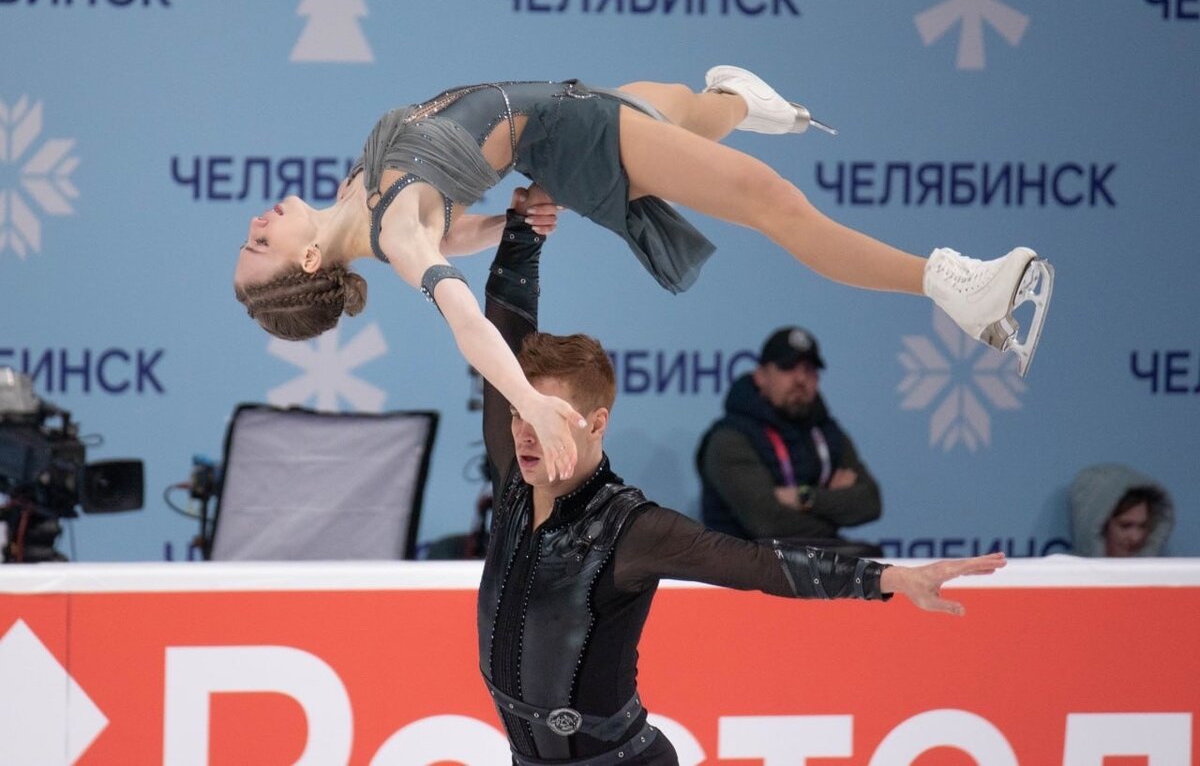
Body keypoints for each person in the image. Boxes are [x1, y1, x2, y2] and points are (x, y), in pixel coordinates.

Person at [233, 66, 1054, 485]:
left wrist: (505, 222)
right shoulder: (393, 230)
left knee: (681, 108)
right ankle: (953, 287)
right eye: (259, 246)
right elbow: (465, 320)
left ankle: (742, 101)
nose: (256, 224)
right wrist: (530, 403)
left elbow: (453, 219)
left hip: (567, 112)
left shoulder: (360, 203)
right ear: (308, 262)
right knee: (770, 200)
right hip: (575, 139)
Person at [478, 186, 1007, 765]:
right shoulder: (514, 480)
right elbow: (499, 336)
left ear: (596, 422)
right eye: (519, 413)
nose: (525, 433)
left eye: (545, 417)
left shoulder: (632, 528)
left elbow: (761, 565)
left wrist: (887, 579)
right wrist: (522, 234)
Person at [696, 326, 882, 555]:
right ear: (761, 377)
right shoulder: (729, 439)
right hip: (742, 574)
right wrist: (835, 511)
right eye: (787, 368)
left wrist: (803, 498)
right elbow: (768, 523)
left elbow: (870, 502)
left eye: (809, 369)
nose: (800, 378)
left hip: (815, 566)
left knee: (872, 561)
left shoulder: (827, 433)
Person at [1069, 463, 1175, 557]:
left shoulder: (1162, 577)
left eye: (1143, 526)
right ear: (1099, 526)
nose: (1136, 537)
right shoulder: (1064, 577)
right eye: (1125, 526)